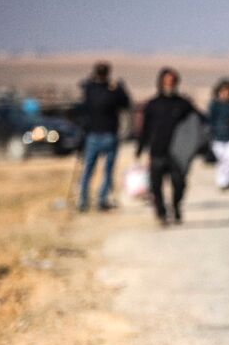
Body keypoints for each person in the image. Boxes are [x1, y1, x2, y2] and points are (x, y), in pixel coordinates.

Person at [136, 68, 198, 226]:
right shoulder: (152, 104)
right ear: (161, 82)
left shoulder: (184, 104)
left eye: (172, 81)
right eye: (167, 81)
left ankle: (176, 206)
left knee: (179, 183)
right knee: (156, 185)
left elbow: (198, 123)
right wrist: (140, 148)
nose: (170, 84)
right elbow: (145, 129)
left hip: (178, 154)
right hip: (157, 151)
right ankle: (161, 214)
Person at [77, 61, 130, 212]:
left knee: (88, 169)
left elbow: (84, 92)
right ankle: (100, 200)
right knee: (107, 170)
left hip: (94, 134)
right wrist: (119, 88)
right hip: (108, 134)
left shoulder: (91, 89)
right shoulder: (112, 90)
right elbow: (125, 103)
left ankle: (83, 201)